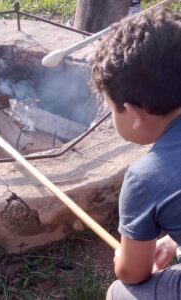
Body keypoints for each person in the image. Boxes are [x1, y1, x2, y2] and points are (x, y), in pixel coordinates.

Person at [90, 7, 181, 299]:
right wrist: (174, 242)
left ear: (132, 113)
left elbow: (133, 272)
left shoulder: (146, 179)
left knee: (119, 293)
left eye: (110, 108)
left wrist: (123, 262)